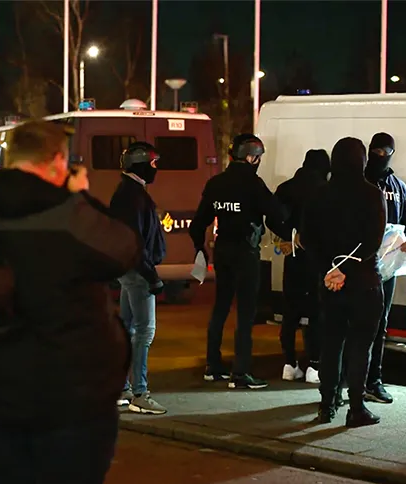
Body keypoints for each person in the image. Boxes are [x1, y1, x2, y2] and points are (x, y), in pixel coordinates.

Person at [0, 120, 141, 484]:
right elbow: (122, 250)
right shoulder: (67, 212)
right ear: (56, 161)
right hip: (68, 394)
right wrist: (81, 197)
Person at [189, 133, 290, 389]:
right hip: (246, 253)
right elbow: (277, 213)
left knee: (221, 307)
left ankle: (213, 366)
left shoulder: (216, 184)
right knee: (246, 313)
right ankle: (241, 372)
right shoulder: (253, 184)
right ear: (251, 157)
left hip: (223, 251)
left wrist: (200, 249)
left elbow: (198, 223)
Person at [301, 137, 386, 427]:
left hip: (330, 284)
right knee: (361, 346)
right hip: (364, 282)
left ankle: (327, 404)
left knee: (331, 343)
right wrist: (346, 268)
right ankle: (356, 407)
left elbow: (308, 238)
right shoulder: (372, 194)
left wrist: (331, 270)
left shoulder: (318, 194)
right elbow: (373, 241)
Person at [109, 141, 167, 415]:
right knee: (145, 331)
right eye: (153, 163)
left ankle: (122, 389)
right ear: (141, 164)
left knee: (128, 328)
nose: (156, 168)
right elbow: (134, 242)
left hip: (130, 270)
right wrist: (151, 275)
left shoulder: (127, 193)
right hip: (138, 272)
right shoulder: (133, 197)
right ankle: (140, 393)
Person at [363, 132, 406, 404]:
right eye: (376, 152)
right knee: (356, 324)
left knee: (380, 325)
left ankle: (373, 381)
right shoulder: (359, 181)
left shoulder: (398, 188)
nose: (381, 157)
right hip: (359, 264)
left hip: (386, 268)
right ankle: (349, 381)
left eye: (386, 153)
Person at [274, 149, 330, 383]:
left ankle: (289, 364)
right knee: (317, 313)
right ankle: (314, 366)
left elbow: (272, 217)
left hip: (293, 258)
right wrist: (305, 238)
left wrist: (289, 235)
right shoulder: (326, 191)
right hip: (318, 260)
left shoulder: (286, 188)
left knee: (290, 312)